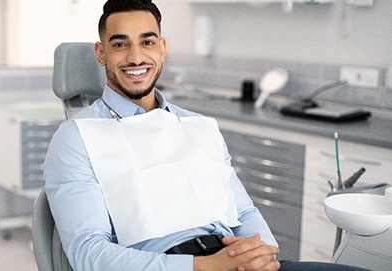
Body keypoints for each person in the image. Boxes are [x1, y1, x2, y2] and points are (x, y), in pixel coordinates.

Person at [44, 0, 369, 270]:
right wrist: (203, 267)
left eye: (147, 41)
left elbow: (243, 213)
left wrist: (263, 254)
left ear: (162, 48)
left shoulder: (198, 125)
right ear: (101, 54)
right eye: (120, 44)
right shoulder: (76, 138)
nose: (135, 57)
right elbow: (88, 254)